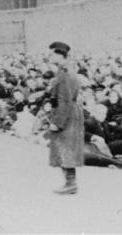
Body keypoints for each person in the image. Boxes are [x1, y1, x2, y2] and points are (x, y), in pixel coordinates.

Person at [46, 41, 84, 195]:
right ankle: (69, 183)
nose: (49, 56)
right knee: (63, 148)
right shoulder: (63, 71)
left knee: (66, 148)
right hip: (67, 113)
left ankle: (71, 184)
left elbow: (66, 100)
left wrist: (58, 122)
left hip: (67, 115)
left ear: (60, 55)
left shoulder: (66, 73)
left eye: (52, 53)